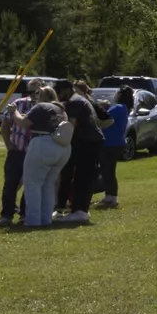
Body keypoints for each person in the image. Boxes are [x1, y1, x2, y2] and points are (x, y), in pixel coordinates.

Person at [57, 79, 110, 224]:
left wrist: (61, 143)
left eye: (59, 91)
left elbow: (71, 127)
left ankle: (80, 211)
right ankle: (76, 209)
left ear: (67, 90)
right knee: (81, 176)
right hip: (91, 142)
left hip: (87, 143)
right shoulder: (80, 99)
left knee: (82, 177)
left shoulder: (74, 102)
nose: (57, 94)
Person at [20, 87, 71, 227]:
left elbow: (24, 123)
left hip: (42, 143)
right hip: (62, 147)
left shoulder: (41, 106)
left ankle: (33, 221)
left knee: (32, 184)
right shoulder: (61, 110)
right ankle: (46, 219)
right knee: (48, 185)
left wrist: (14, 113)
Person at [0, 79, 43, 226]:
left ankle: (24, 214)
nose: (33, 95)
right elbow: (5, 126)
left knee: (31, 185)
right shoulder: (18, 104)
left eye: (36, 91)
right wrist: (9, 145)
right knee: (10, 184)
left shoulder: (45, 107)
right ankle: (6, 215)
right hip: (17, 150)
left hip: (35, 152)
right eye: (30, 92)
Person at [97, 88, 131, 209]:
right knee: (109, 172)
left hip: (110, 143)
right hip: (117, 142)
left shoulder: (117, 108)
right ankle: (110, 197)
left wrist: (101, 108)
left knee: (107, 172)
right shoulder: (123, 108)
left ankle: (110, 198)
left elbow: (104, 118)